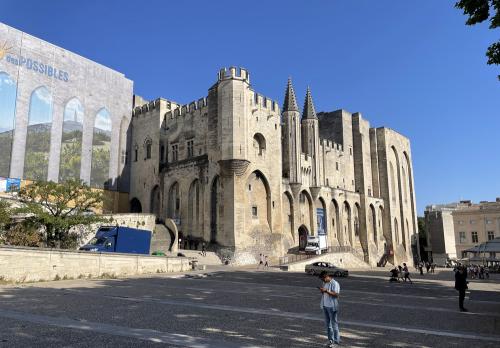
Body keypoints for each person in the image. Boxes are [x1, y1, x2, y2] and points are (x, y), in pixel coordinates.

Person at [318, 271, 340, 347]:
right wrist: (322, 291)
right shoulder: (325, 283)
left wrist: (326, 291)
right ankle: (331, 341)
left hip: (332, 306)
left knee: (334, 324)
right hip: (325, 305)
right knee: (328, 325)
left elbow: (336, 294)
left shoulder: (335, 283)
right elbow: (324, 293)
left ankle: (336, 342)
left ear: (327, 276)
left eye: (323, 279)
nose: (322, 281)